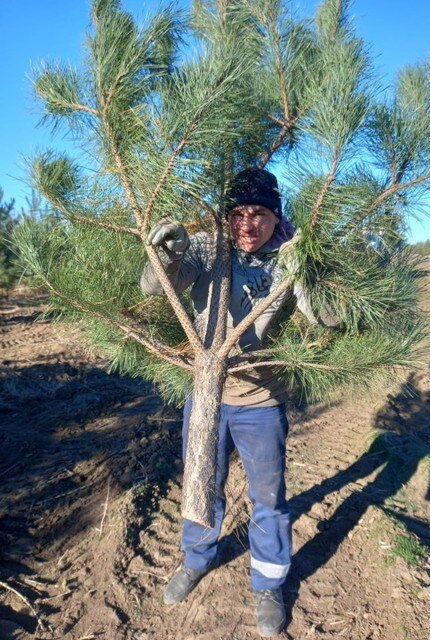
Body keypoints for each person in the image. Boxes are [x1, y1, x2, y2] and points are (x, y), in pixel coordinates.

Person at [141, 167, 319, 636]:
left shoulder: (289, 256)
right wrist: (166, 252)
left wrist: (315, 266)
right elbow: (154, 287)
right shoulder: (206, 246)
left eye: (258, 214)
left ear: (275, 216)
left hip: (262, 399)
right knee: (202, 484)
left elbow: (326, 317)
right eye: (237, 213)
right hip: (206, 399)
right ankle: (197, 558)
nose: (246, 225)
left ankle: (268, 582)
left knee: (268, 498)